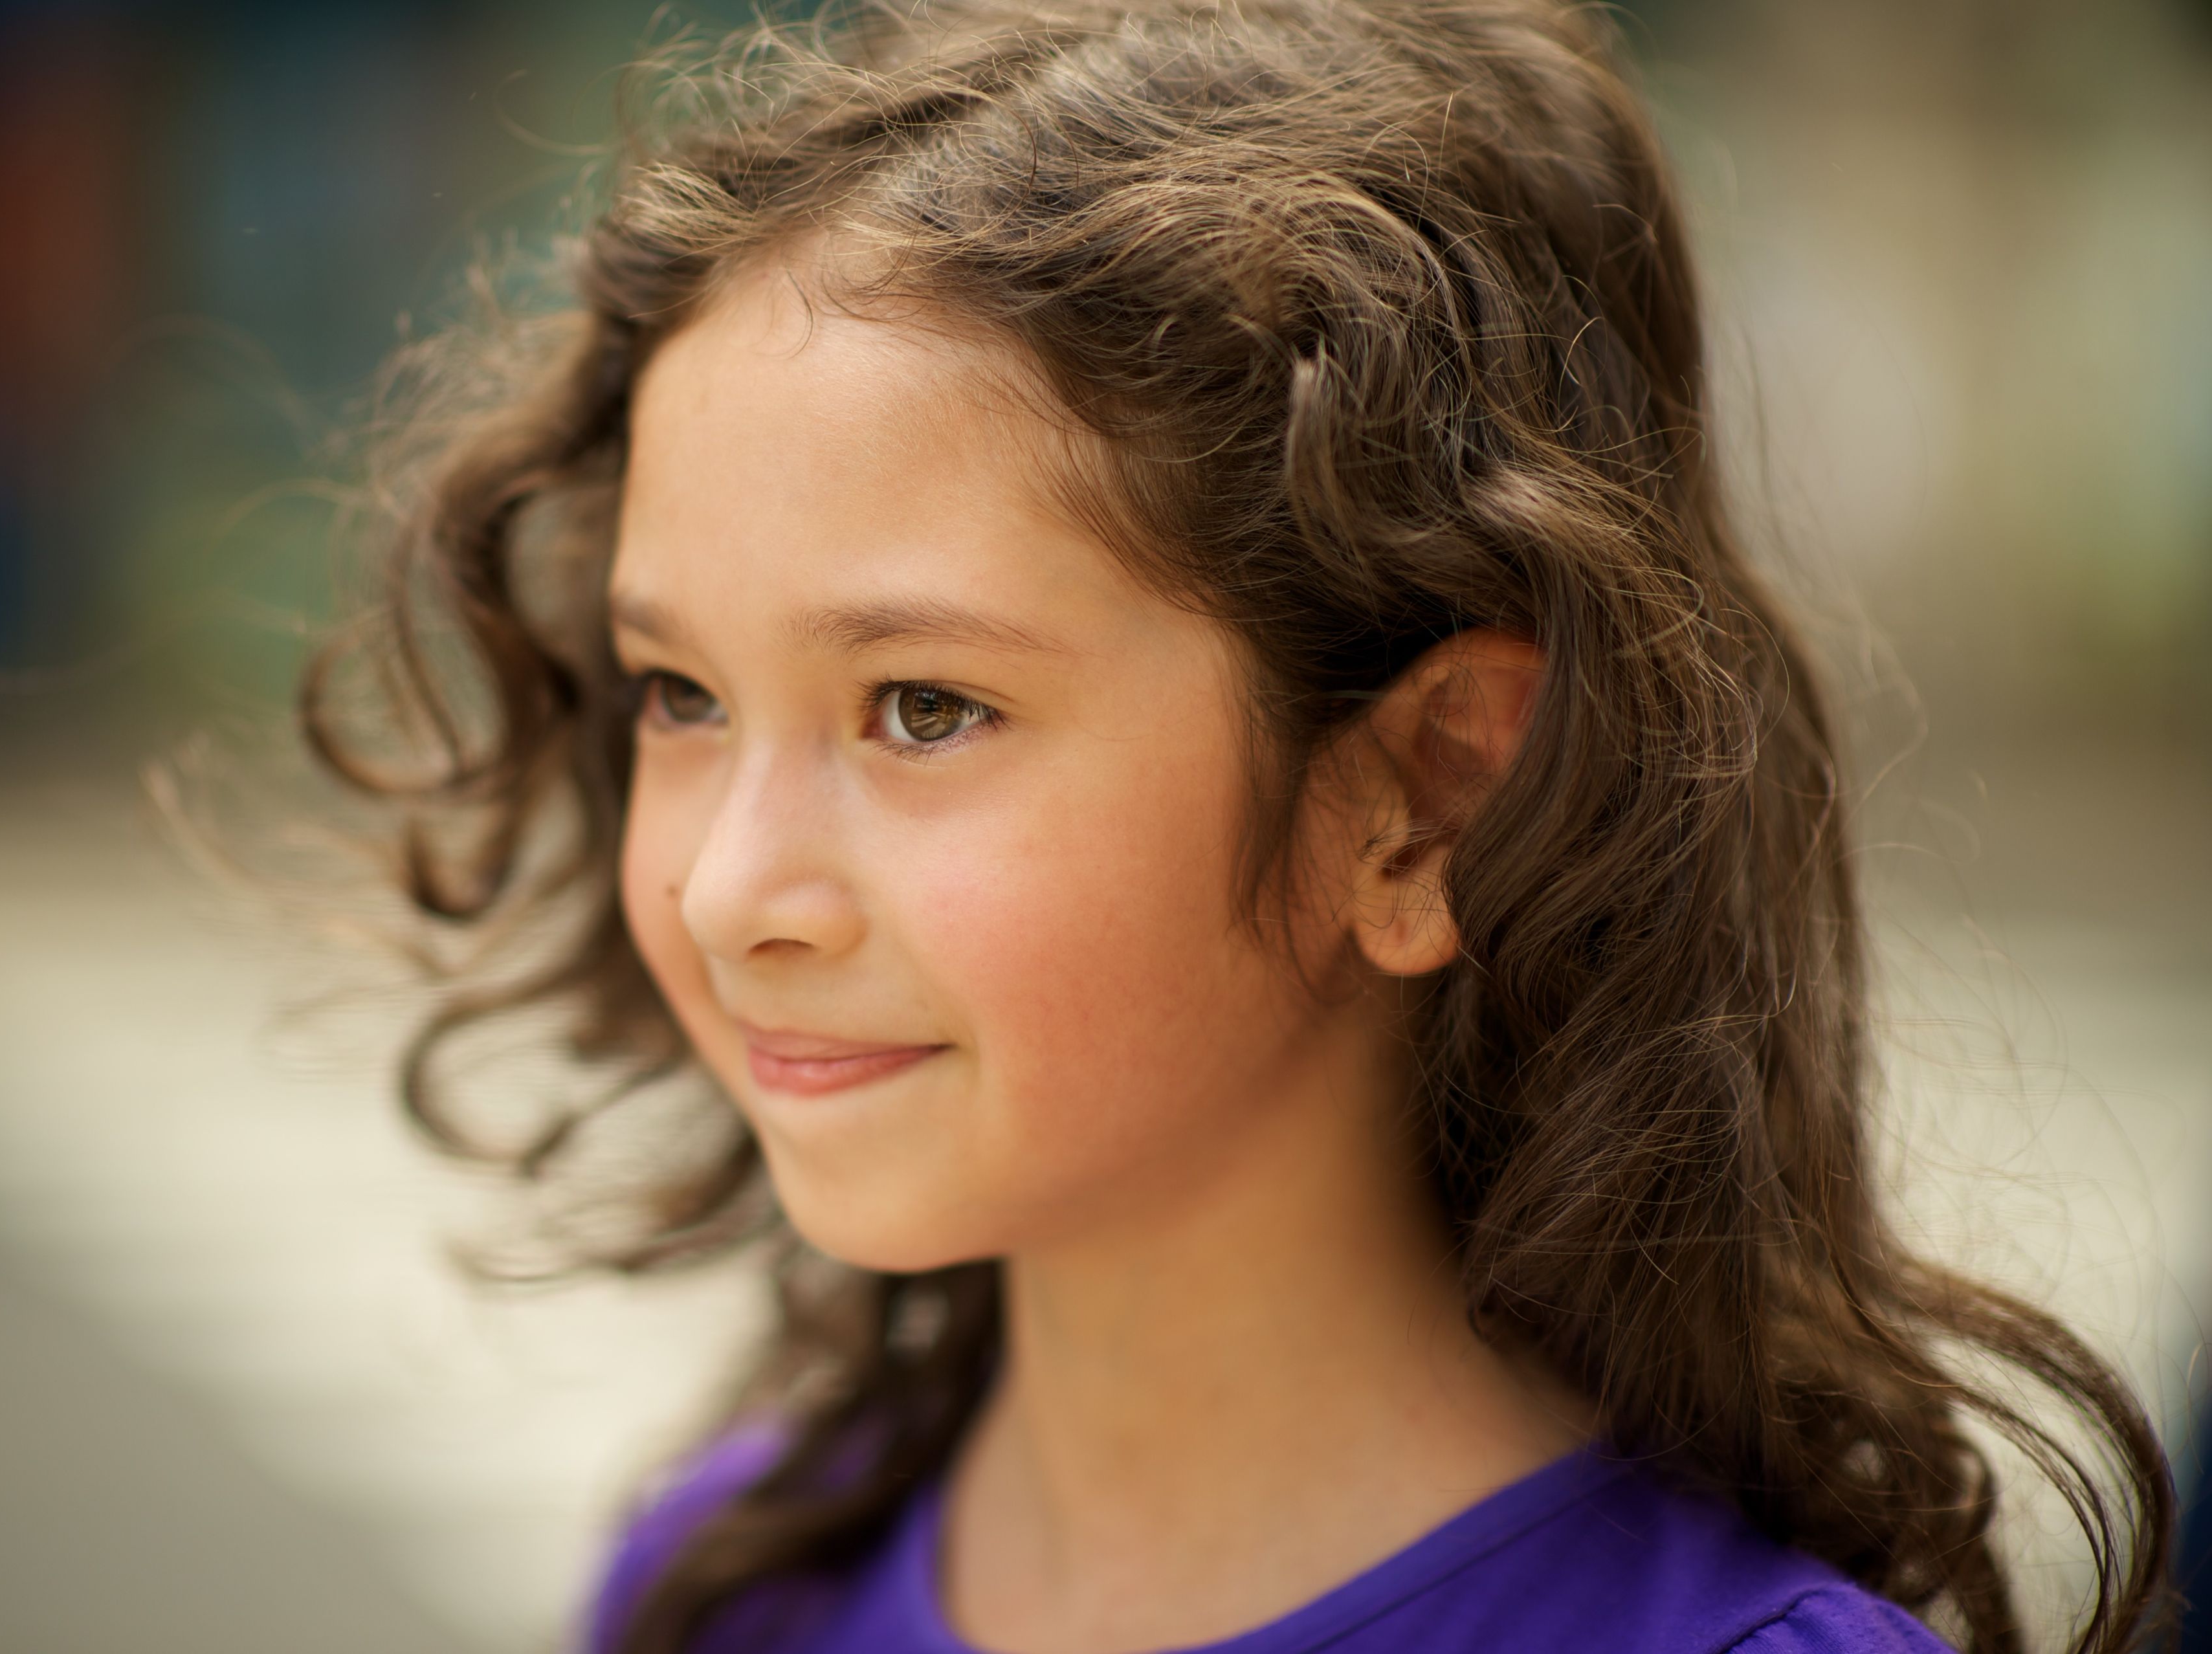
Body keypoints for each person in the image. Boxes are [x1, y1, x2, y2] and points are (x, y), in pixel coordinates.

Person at [299, 1, 2173, 1649]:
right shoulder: (727, 1580)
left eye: (926, 707)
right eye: (680, 695)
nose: (728, 889)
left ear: (1427, 796)